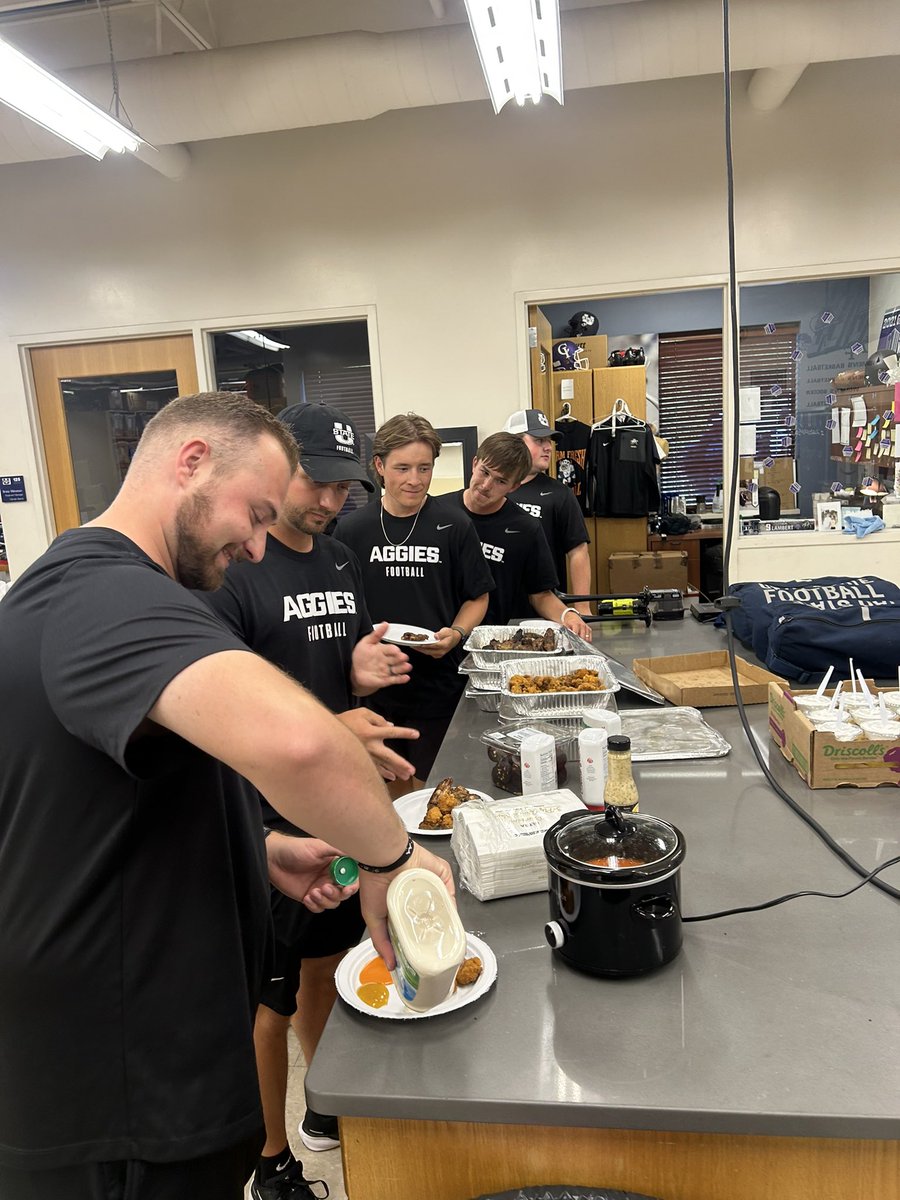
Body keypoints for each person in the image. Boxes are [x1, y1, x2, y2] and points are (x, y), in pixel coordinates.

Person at [0, 392, 451, 1200]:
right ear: (192, 460)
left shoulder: (110, 596)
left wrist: (260, 847)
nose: (253, 545)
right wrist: (396, 856)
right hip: (119, 1094)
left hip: (152, 1061)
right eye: (254, 514)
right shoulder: (97, 592)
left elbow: (113, 801)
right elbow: (300, 742)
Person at [202, 401, 417, 1198]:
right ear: (278, 472)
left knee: (328, 962)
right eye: (315, 484)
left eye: (342, 488)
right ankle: (270, 1159)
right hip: (267, 819)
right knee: (272, 994)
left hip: (333, 801)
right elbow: (232, 718)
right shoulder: (235, 570)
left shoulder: (335, 561)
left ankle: (325, 1104)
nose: (329, 502)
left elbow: (330, 668)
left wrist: (360, 677)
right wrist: (335, 725)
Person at [335, 413, 493, 793]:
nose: (415, 479)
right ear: (379, 466)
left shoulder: (454, 524)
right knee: (385, 791)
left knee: (430, 793)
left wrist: (455, 634)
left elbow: (478, 596)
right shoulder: (352, 530)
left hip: (438, 686)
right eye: (402, 467)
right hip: (373, 690)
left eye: (425, 468)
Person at [445, 433, 593, 639]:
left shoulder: (526, 528)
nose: (486, 485)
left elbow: (540, 594)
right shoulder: (438, 512)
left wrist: (568, 615)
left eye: (500, 481)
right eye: (484, 472)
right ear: (474, 463)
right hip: (438, 637)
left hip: (493, 642)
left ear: (514, 486)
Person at [503, 409, 593, 620]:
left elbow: (578, 551)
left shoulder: (559, 494)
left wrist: (582, 608)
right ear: (514, 442)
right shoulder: (494, 488)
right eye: (538, 440)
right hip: (497, 609)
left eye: (549, 441)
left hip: (546, 609)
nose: (548, 447)